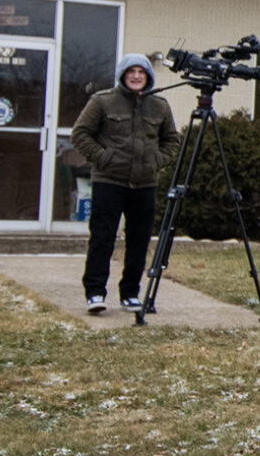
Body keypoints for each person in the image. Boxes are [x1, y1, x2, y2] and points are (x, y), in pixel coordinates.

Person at [70, 54, 181, 314]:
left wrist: (158, 161)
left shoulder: (160, 106)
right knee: (102, 238)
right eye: (131, 71)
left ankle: (131, 293)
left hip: (144, 184)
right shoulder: (102, 101)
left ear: (148, 77)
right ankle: (95, 292)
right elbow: (80, 134)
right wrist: (103, 158)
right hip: (109, 181)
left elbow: (171, 140)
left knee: (139, 240)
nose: (136, 76)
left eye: (141, 72)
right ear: (122, 75)